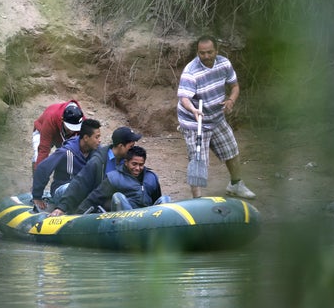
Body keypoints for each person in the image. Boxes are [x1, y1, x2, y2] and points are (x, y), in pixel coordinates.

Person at [177, 35, 256, 199]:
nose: (206, 56)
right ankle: (197, 199)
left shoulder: (224, 64)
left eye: (209, 52)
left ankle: (236, 185)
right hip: (194, 121)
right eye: (202, 53)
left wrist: (230, 101)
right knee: (198, 159)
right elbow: (184, 98)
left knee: (231, 150)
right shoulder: (190, 71)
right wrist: (193, 110)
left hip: (216, 116)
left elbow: (234, 86)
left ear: (216, 51)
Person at [48, 126, 142, 216]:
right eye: (131, 147)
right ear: (121, 146)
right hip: (95, 207)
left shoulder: (128, 161)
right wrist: (61, 208)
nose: (132, 150)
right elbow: (80, 183)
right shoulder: (98, 162)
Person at [31, 119, 102, 211]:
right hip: (62, 189)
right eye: (97, 137)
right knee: (77, 187)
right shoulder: (66, 152)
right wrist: (37, 196)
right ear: (86, 138)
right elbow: (42, 168)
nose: (100, 140)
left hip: (83, 191)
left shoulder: (98, 151)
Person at [78, 145, 170, 213]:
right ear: (126, 163)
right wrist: (77, 215)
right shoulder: (114, 178)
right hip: (124, 221)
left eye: (141, 165)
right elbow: (94, 198)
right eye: (134, 164)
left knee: (165, 199)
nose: (137, 168)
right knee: (118, 197)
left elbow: (156, 200)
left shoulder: (151, 178)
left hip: (147, 218)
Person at [32, 100, 86, 171]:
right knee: (38, 157)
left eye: (75, 128)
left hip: (62, 136)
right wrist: (38, 175)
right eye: (69, 127)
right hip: (42, 130)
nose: (72, 131)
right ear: (62, 120)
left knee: (68, 158)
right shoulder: (50, 118)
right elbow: (43, 149)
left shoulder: (81, 120)